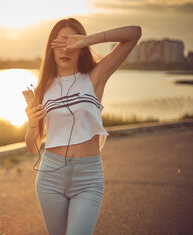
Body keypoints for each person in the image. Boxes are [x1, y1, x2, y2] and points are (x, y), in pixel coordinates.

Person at [24, 18, 141, 235]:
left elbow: (134, 32)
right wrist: (32, 123)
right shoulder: (42, 89)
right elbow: (32, 147)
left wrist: (88, 40)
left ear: (81, 48)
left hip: (87, 178)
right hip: (50, 176)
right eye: (60, 43)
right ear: (51, 49)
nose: (65, 48)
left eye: (71, 43)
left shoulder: (95, 77)